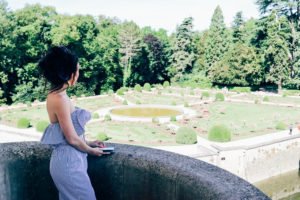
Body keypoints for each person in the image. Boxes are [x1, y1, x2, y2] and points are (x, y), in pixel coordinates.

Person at [39, 46, 107, 200]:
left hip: (70, 160)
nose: (78, 73)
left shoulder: (59, 94)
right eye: (77, 70)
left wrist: (89, 142)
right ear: (70, 73)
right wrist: (91, 150)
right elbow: (71, 139)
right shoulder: (59, 98)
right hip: (68, 164)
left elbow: (67, 133)